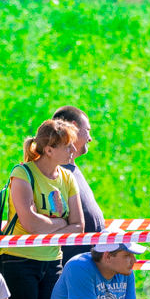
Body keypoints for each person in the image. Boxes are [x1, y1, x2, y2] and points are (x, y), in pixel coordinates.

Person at [0, 119, 84, 299]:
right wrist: (60, 222)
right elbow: (30, 223)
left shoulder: (67, 177)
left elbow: (79, 226)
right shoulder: (22, 173)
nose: (73, 151)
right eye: (68, 146)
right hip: (18, 261)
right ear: (49, 150)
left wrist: (50, 226)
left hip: (52, 262)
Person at [51, 106, 106, 266]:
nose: (90, 138)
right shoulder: (53, 172)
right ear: (73, 127)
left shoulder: (71, 169)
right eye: (87, 130)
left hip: (87, 263)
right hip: (69, 265)